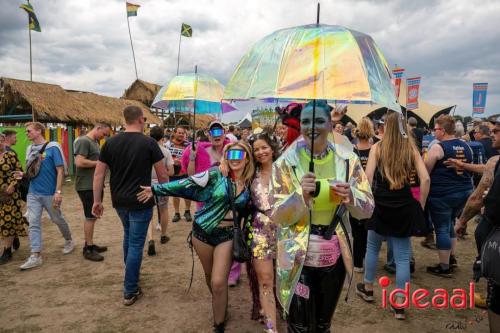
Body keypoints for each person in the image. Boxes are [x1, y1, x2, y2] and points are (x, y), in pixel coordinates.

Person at [270, 100, 374, 332]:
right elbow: (276, 214)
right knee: (298, 325)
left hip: (334, 256)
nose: (311, 127)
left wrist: (351, 196)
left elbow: (367, 209)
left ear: (330, 124)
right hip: (296, 254)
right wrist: (300, 196)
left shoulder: (348, 160)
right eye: (306, 121)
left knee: (322, 324)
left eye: (318, 121)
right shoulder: (286, 163)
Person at [137, 142, 254, 333]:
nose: (234, 158)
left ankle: (219, 324)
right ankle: (220, 304)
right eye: (230, 154)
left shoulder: (250, 181)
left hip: (226, 236)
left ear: (247, 157)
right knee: (210, 277)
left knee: (218, 281)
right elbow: (188, 183)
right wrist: (157, 189)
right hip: (202, 233)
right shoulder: (216, 174)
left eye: (239, 154)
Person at [356, 112, 430, 320]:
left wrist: (366, 204)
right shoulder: (410, 148)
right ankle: (400, 304)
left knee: (372, 247)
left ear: (385, 128)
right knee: (403, 256)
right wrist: (420, 205)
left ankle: (368, 288)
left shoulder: (377, 148)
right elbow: (424, 179)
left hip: (380, 204)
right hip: (404, 204)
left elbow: (367, 178)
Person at [92, 105, 168, 306]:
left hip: (119, 200)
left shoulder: (109, 143)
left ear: (125, 119)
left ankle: (131, 277)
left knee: (129, 236)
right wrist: (165, 193)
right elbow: (162, 175)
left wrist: (97, 201)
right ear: (141, 120)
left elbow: (99, 174)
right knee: (135, 243)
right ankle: (130, 289)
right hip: (142, 199)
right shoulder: (149, 143)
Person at [181, 121, 243, 286]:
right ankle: (218, 269)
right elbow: (191, 177)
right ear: (208, 134)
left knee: (233, 232)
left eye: (219, 132)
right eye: (213, 132)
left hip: (229, 199)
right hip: (207, 202)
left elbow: (241, 171)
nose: (216, 136)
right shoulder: (199, 151)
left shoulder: (232, 151)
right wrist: (192, 157)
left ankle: (233, 271)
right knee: (210, 236)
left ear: (224, 134)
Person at [20, 122, 74, 270]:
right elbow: (32, 170)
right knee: (33, 222)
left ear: (39, 131)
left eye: (29, 131)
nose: (27, 133)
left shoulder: (53, 147)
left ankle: (69, 240)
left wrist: (58, 192)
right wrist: (23, 174)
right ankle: (35, 255)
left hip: (50, 193)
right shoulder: (29, 149)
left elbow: (60, 171)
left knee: (57, 218)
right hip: (33, 193)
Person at [425, 115, 473, 278]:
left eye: (436, 129)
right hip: (463, 191)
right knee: (450, 224)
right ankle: (451, 258)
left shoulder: (438, 147)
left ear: (443, 130)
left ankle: (444, 267)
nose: (434, 132)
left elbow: (426, 170)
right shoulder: (466, 145)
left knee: (441, 228)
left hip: (443, 194)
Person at [246, 131, 281, 332]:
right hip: (259, 233)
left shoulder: (286, 169)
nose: (260, 152)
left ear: (273, 149)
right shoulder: (250, 173)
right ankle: (271, 327)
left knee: (284, 280)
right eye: (256, 149)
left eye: (264, 147)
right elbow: (232, 160)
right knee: (266, 281)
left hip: (286, 233)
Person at [74, 122, 110, 262]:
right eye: (104, 134)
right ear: (98, 128)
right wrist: (101, 163)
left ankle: (90, 243)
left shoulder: (94, 141)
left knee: (93, 216)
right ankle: (88, 249)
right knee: (90, 216)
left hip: (93, 185)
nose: (104, 137)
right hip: (86, 185)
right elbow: (79, 162)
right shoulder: (84, 141)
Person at [350, 117, 374, 272]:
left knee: (356, 230)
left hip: (355, 193)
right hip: (372, 193)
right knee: (368, 228)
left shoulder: (351, 151)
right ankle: (365, 257)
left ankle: (357, 262)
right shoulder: (376, 150)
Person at [146, 126, 174, 256]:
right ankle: (163, 235)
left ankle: (151, 239)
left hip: (147, 185)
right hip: (162, 185)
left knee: (149, 212)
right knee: (163, 210)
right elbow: (171, 171)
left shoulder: (144, 151)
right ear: (162, 137)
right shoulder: (166, 152)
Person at [0, 133, 27, 264]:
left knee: (7, 222)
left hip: (10, 195)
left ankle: (7, 252)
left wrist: (11, 186)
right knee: (3, 221)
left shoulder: (10, 155)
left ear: (3, 140)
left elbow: (18, 172)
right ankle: (14, 236)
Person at [165, 127, 192, 223]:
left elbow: (191, 158)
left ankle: (187, 211)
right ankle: (177, 213)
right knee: (175, 194)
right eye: (179, 133)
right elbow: (164, 158)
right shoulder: (168, 144)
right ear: (174, 133)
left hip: (185, 172)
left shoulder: (188, 144)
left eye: (182, 133)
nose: (181, 135)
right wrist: (172, 162)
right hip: (174, 173)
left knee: (187, 193)